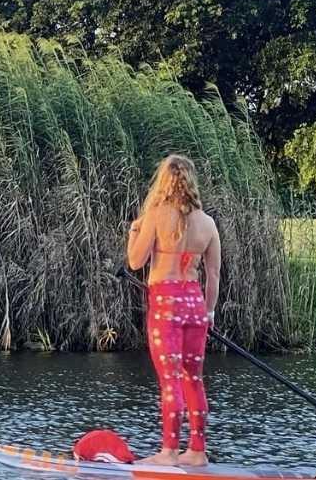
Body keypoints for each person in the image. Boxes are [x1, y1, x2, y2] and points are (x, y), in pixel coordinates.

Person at [126, 154, 221, 467]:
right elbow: (214, 276)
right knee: (193, 378)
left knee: (170, 381)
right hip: (195, 306)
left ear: (164, 181)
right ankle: (197, 450)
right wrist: (208, 313)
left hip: (166, 306)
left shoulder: (155, 215)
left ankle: (168, 451)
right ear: (191, 182)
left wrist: (134, 233)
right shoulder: (207, 224)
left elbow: (135, 262)